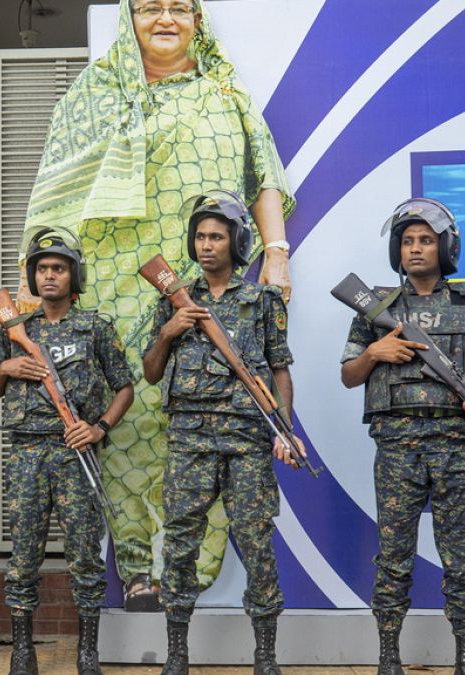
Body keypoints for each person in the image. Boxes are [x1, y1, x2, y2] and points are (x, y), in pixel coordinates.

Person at [21, 0, 297, 610]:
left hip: (210, 287)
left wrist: (275, 252)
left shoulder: (224, 92)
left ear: (198, 21)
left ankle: (191, 567)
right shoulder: (90, 97)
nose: (165, 18)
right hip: (117, 288)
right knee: (131, 418)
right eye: (151, 8)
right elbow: (52, 196)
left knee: (214, 418)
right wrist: (35, 284)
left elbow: (263, 177)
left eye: (180, 8)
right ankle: (140, 564)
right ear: (130, 19)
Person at [339, 198, 465, 675]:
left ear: (445, 246)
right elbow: (350, 376)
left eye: (426, 240)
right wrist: (376, 349)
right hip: (397, 450)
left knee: (462, 558)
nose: (416, 249)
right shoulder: (375, 307)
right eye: (408, 241)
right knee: (393, 556)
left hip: (457, 447)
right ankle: (388, 656)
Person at [141, 191, 302, 673]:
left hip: (247, 441)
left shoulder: (262, 300)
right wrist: (170, 330)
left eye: (217, 236)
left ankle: (266, 656)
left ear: (237, 241)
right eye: (200, 236)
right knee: (180, 544)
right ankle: (176, 654)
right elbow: (150, 373)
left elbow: (280, 370)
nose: (207, 244)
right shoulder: (171, 299)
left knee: (256, 541)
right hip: (189, 440)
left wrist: (285, 430)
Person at [0, 229, 135, 675]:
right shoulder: (15, 329)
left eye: (59, 268)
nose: (50, 275)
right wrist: (8, 366)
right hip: (27, 453)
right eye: (43, 269)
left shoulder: (96, 328)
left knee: (85, 556)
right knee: (23, 556)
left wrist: (99, 428)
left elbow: (124, 388)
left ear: (74, 276)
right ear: (32, 277)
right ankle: (22, 651)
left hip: (76, 456)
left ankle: (87, 651)